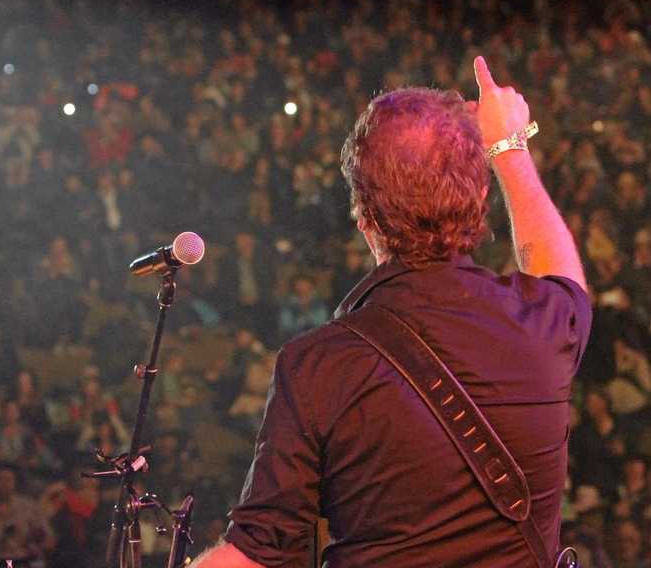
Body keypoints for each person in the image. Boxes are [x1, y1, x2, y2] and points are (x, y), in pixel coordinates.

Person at [191, 57, 590, 567]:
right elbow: (557, 266)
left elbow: (256, 558)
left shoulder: (317, 366)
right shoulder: (546, 324)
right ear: (480, 196)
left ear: (364, 216)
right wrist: (509, 148)